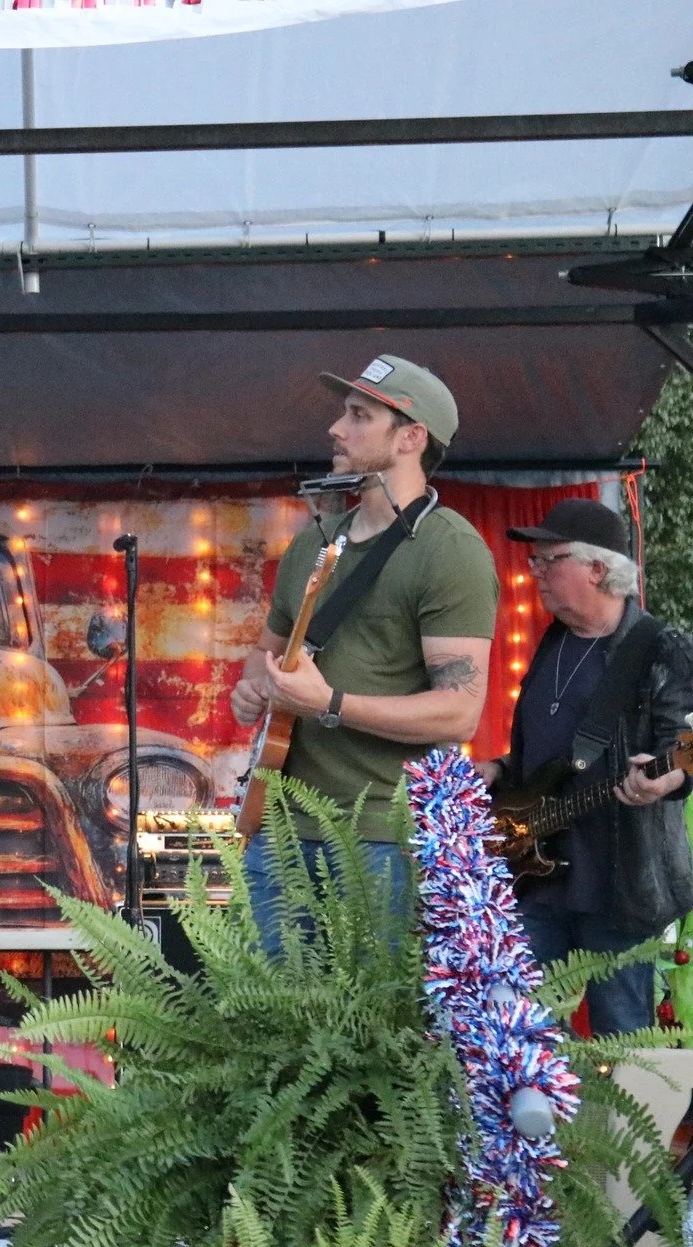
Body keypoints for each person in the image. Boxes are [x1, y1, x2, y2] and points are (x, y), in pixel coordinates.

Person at [230, 356, 498, 944]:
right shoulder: (314, 540)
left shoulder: (449, 549)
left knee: (368, 1032)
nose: (335, 428)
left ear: (410, 437)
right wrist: (252, 691)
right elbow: (263, 660)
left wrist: (329, 702)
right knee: (266, 1023)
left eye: (358, 415)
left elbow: (459, 712)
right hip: (276, 828)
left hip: (380, 835)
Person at [475, 498, 693, 1034]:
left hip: (620, 882)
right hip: (534, 876)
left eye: (551, 559)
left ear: (599, 569)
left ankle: (621, 1124)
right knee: (520, 1029)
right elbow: (545, 753)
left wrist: (669, 778)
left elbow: (684, 745)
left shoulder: (660, 647)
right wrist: (501, 770)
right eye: (534, 561)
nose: (535, 571)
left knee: (623, 1035)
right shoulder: (552, 639)